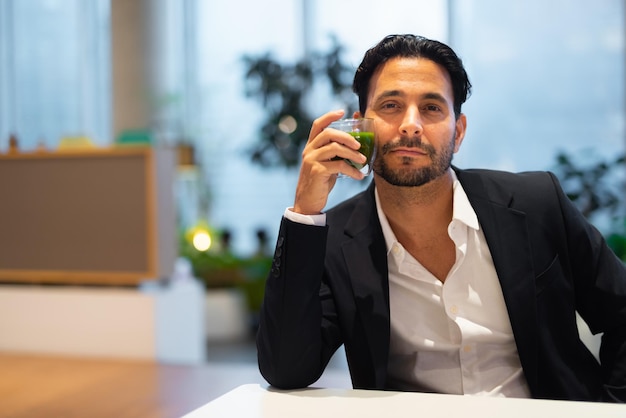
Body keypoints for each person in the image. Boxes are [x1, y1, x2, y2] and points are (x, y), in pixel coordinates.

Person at [256, 34, 626, 402]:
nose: (410, 125)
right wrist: (305, 212)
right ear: (360, 128)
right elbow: (287, 370)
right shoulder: (334, 237)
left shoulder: (537, 203)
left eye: (432, 108)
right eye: (390, 105)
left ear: (459, 131)